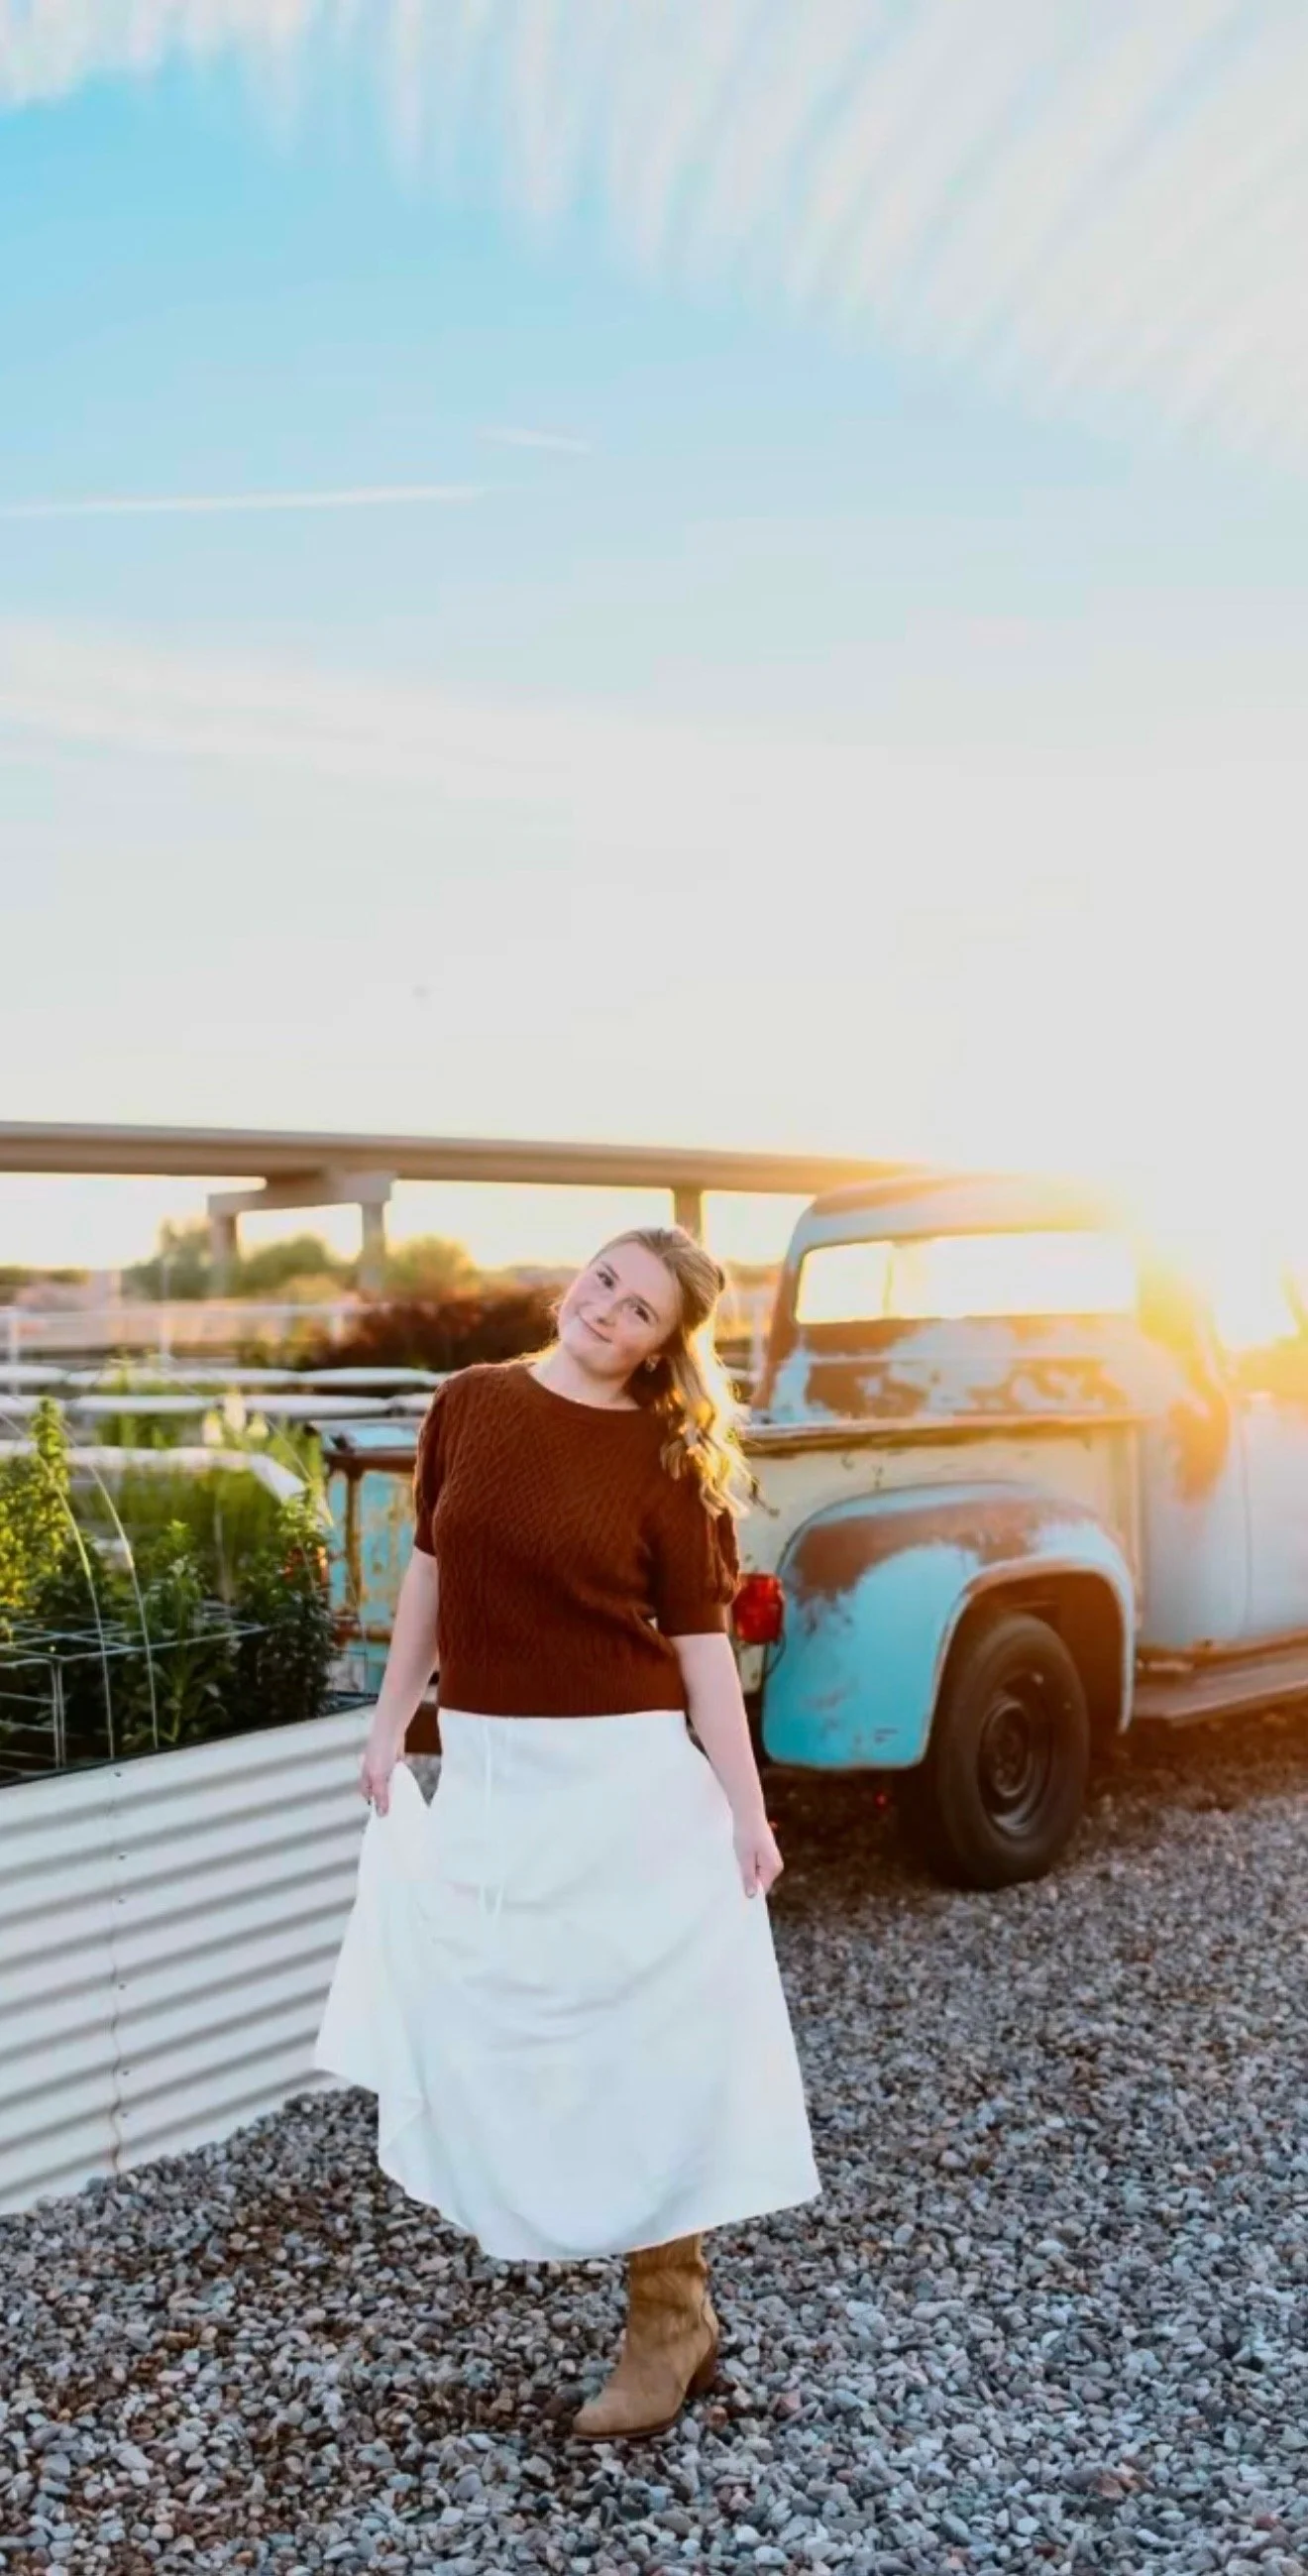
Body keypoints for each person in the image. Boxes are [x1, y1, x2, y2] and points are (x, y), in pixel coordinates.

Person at [314, 1226, 820, 2441]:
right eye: (605, 1279)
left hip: (626, 1788)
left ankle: (668, 2315)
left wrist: (749, 1815)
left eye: (640, 1309)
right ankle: (627, 2273)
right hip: (494, 1777)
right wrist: (392, 1725)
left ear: (661, 1346)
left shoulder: (662, 1454)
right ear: (575, 1278)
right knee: (507, 2023)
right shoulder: (469, 1405)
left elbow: (704, 1656)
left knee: (641, 2043)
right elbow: (427, 1577)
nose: (608, 1309)